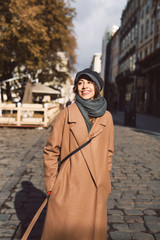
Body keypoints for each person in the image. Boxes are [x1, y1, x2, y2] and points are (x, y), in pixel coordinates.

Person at [41, 68, 114, 240]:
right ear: (76, 88)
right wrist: (52, 185)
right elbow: (51, 151)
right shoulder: (65, 115)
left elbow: (109, 152)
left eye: (89, 82)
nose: (84, 87)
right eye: (80, 83)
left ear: (96, 87)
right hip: (68, 186)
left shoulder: (107, 117)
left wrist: (105, 181)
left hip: (95, 186)